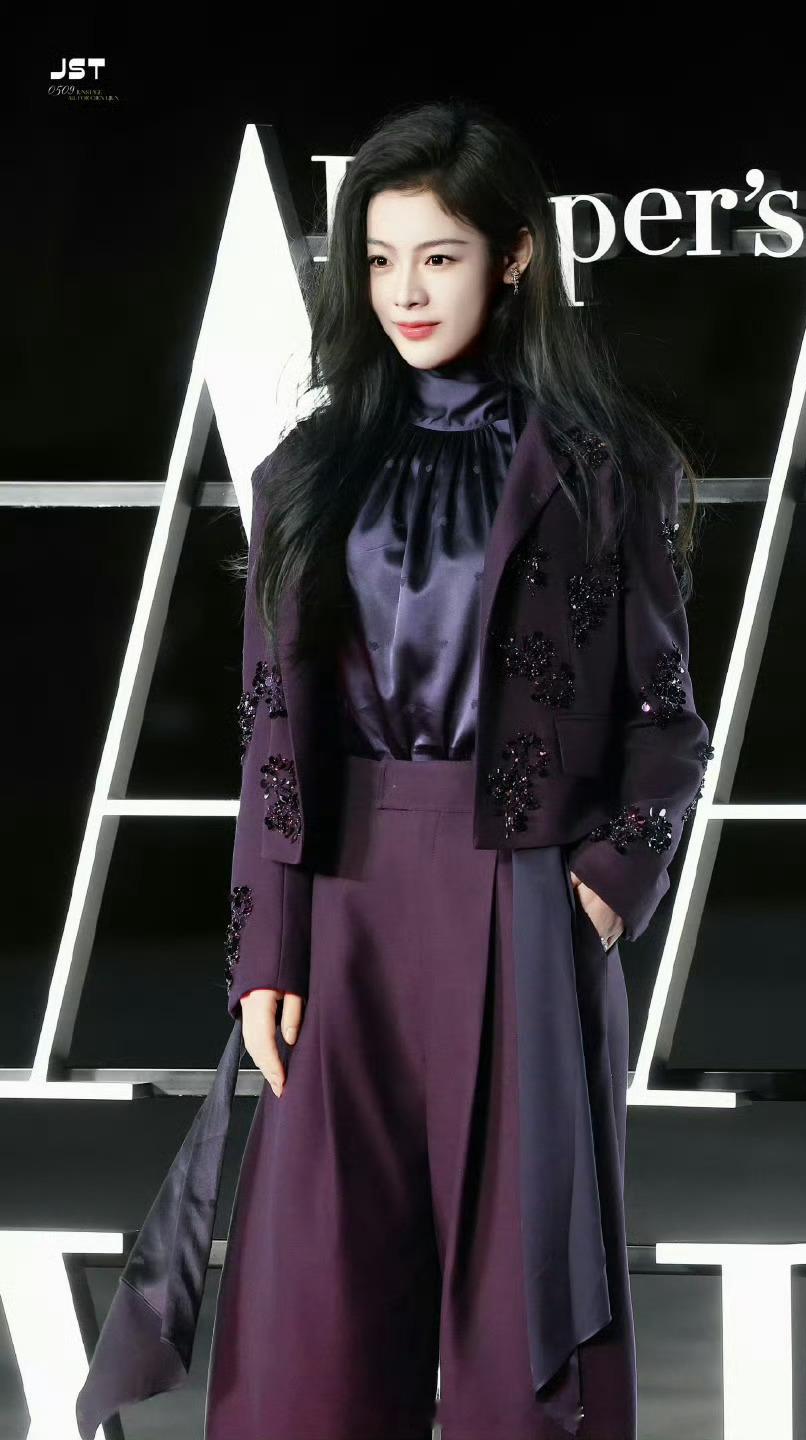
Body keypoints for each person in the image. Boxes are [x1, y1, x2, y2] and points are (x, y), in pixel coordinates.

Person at [76, 98, 713, 1440]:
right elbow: (270, 729)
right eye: (379, 259)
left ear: (515, 257)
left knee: (521, 1324)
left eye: (439, 256)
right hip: (343, 899)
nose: (406, 292)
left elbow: (666, 718)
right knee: (310, 1329)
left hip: (527, 905)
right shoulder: (309, 471)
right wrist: (267, 948)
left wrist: (606, 889)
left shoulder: (607, 468)